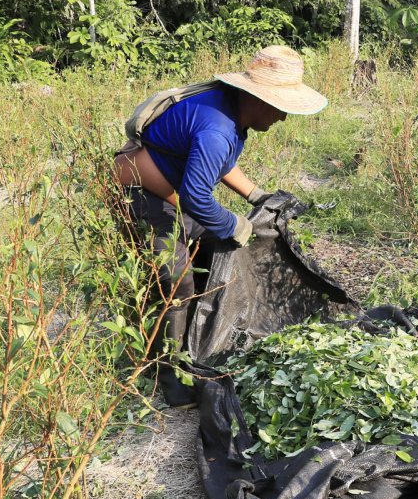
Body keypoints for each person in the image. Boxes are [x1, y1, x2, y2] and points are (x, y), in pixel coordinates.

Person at [113, 45, 327, 407]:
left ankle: (199, 341)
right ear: (257, 98)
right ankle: (171, 375)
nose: (282, 119)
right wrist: (233, 224)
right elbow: (197, 197)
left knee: (215, 249)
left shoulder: (229, 111)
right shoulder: (217, 127)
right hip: (142, 194)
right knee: (174, 279)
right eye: (280, 108)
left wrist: (255, 195)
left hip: (172, 191)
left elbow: (218, 164)